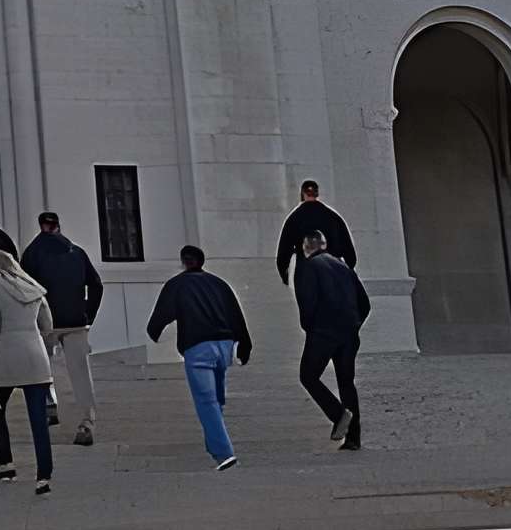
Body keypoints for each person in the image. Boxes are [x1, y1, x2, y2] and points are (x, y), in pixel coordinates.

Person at [143, 243, 252, 469]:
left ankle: (223, 453)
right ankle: (213, 442)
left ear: (183, 262)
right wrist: (244, 344)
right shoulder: (219, 284)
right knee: (217, 398)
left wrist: (154, 332)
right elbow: (235, 314)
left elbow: (161, 315)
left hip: (198, 346)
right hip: (224, 345)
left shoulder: (176, 285)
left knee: (206, 401)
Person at [0, 247, 60, 494]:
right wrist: (42, 346)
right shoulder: (32, 285)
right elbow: (47, 324)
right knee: (38, 419)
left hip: (6, 355)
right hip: (35, 356)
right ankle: (44, 476)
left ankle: (6, 464)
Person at [21, 210, 104, 446]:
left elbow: (26, 290)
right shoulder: (77, 252)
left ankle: (49, 405)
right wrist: (88, 312)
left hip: (46, 321)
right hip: (76, 320)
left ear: (41, 226)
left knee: (42, 369)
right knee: (80, 374)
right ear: (58, 226)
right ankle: (86, 422)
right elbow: (96, 285)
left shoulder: (31, 254)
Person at [291, 225, 370, 450]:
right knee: (346, 383)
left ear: (306, 248)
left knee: (308, 376)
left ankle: (338, 415)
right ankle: (354, 438)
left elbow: (308, 303)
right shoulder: (343, 266)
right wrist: (353, 325)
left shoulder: (310, 267)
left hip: (324, 333)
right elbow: (364, 303)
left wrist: (311, 327)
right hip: (348, 333)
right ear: (324, 245)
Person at [276, 179, 354, 278]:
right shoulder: (333, 217)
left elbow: (283, 252)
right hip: (333, 272)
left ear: (302, 194)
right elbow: (349, 250)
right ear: (317, 194)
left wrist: (285, 276)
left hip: (306, 273)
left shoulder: (293, 219)